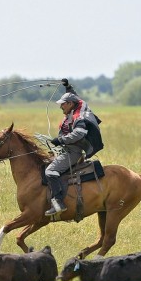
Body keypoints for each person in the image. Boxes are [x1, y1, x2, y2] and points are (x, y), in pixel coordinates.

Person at [44, 79, 102, 216]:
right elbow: (74, 95)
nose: (61, 107)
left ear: (70, 104)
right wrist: (67, 86)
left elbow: (79, 133)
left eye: (63, 104)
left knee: (50, 171)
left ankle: (58, 203)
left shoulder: (78, 116)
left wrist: (61, 140)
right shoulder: (76, 105)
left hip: (73, 152)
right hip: (67, 149)